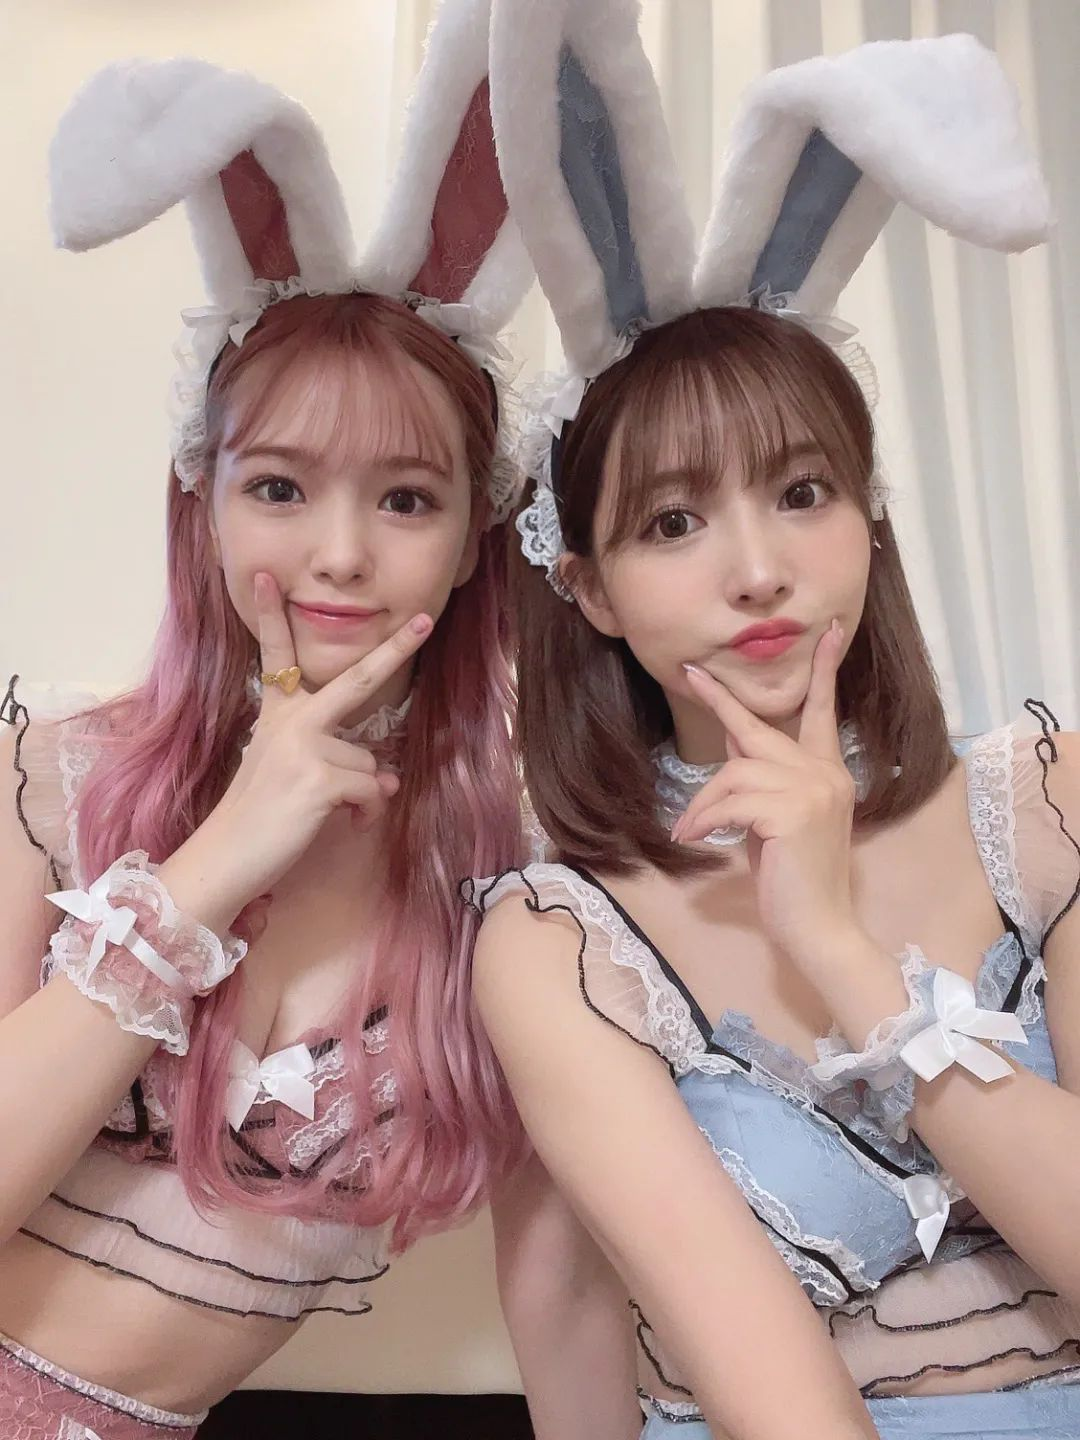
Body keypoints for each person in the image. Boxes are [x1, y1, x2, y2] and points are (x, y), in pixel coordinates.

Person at [471, 6, 1077, 1438]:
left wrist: (837, 947)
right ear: (589, 588)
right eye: (673, 522)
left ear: (869, 522)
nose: (757, 570)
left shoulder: (1042, 799)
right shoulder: (556, 940)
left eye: (802, 493)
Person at [0, 9, 535, 1433]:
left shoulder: (517, 862)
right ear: (206, 502)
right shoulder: (51, 779)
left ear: (476, 537)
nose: (339, 556)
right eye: (281, 488)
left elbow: (567, 1263)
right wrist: (222, 855)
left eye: (406, 498)